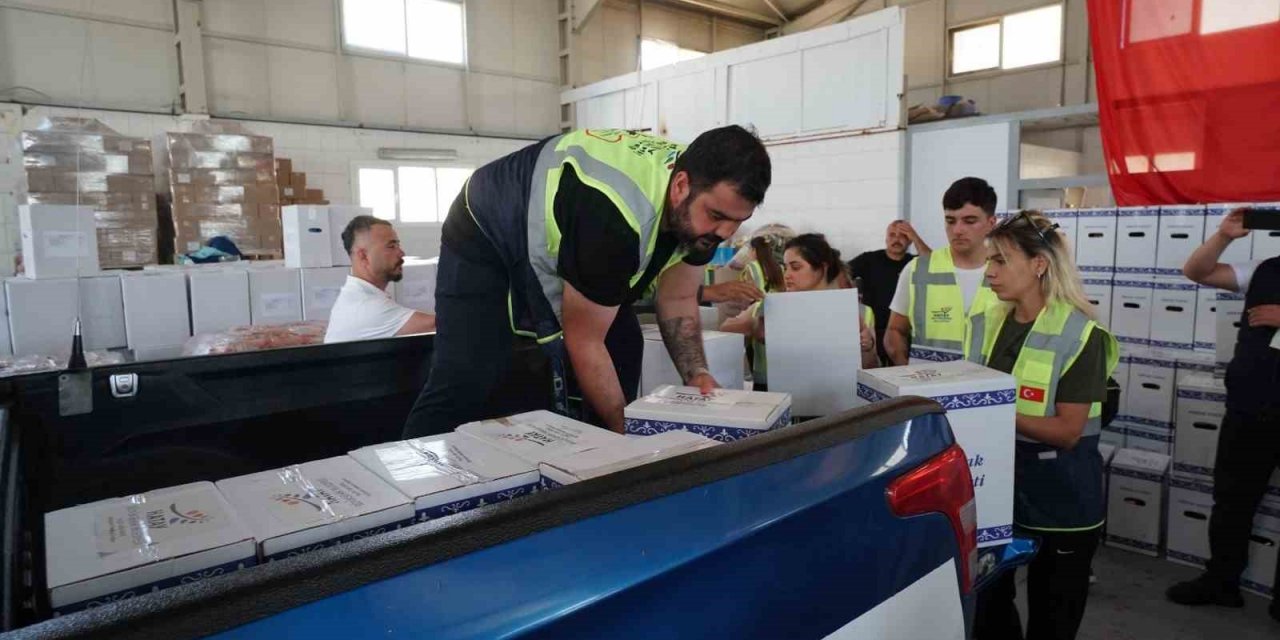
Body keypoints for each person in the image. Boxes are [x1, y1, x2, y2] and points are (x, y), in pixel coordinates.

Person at [402, 126, 772, 437]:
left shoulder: (704, 205)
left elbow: (677, 300)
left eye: (738, 221)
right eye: (717, 216)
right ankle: (411, 475)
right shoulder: (615, 215)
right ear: (680, 186)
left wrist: (697, 374)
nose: (725, 233)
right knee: (470, 370)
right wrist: (629, 435)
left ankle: (597, 464)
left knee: (624, 345)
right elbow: (585, 340)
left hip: (570, 227)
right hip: (487, 225)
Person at [967, 211, 1118, 640]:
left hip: (1062, 498)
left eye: (1001, 260)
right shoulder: (987, 322)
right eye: (989, 260)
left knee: (1053, 620)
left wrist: (992, 410)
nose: (989, 271)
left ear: (1038, 264)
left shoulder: (1081, 334)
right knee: (989, 610)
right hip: (1000, 492)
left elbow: (1069, 431)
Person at [1166, 207, 1280, 622]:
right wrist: (1224, 235)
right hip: (1251, 405)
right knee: (1232, 500)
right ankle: (1222, 581)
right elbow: (1197, 271)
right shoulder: (1267, 269)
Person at [721, 233, 877, 390]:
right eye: (785, 267)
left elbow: (871, 369)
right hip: (776, 399)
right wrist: (753, 326)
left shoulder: (857, 312)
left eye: (796, 267)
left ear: (822, 268)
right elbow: (724, 332)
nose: (787, 275)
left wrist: (867, 345)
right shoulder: (770, 306)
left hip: (835, 396)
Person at [885, 177, 1000, 364]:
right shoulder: (917, 270)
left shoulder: (1010, 272)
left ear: (991, 223)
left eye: (969, 221)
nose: (958, 230)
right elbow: (895, 330)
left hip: (990, 382)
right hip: (927, 380)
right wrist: (905, 369)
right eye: (950, 221)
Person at [324, 216, 436, 343]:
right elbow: (439, 325)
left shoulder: (359, 295)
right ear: (363, 256)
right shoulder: (365, 306)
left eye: (398, 245)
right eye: (391, 246)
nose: (401, 253)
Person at [848, 220, 931, 364]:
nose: (896, 239)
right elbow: (841, 273)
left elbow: (934, 264)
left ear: (910, 241)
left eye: (903, 236)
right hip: (873, 333)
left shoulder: (914, 263)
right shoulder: (869, 260)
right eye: (892, 235)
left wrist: (915, 236)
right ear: (886, 239)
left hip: (903, 333)